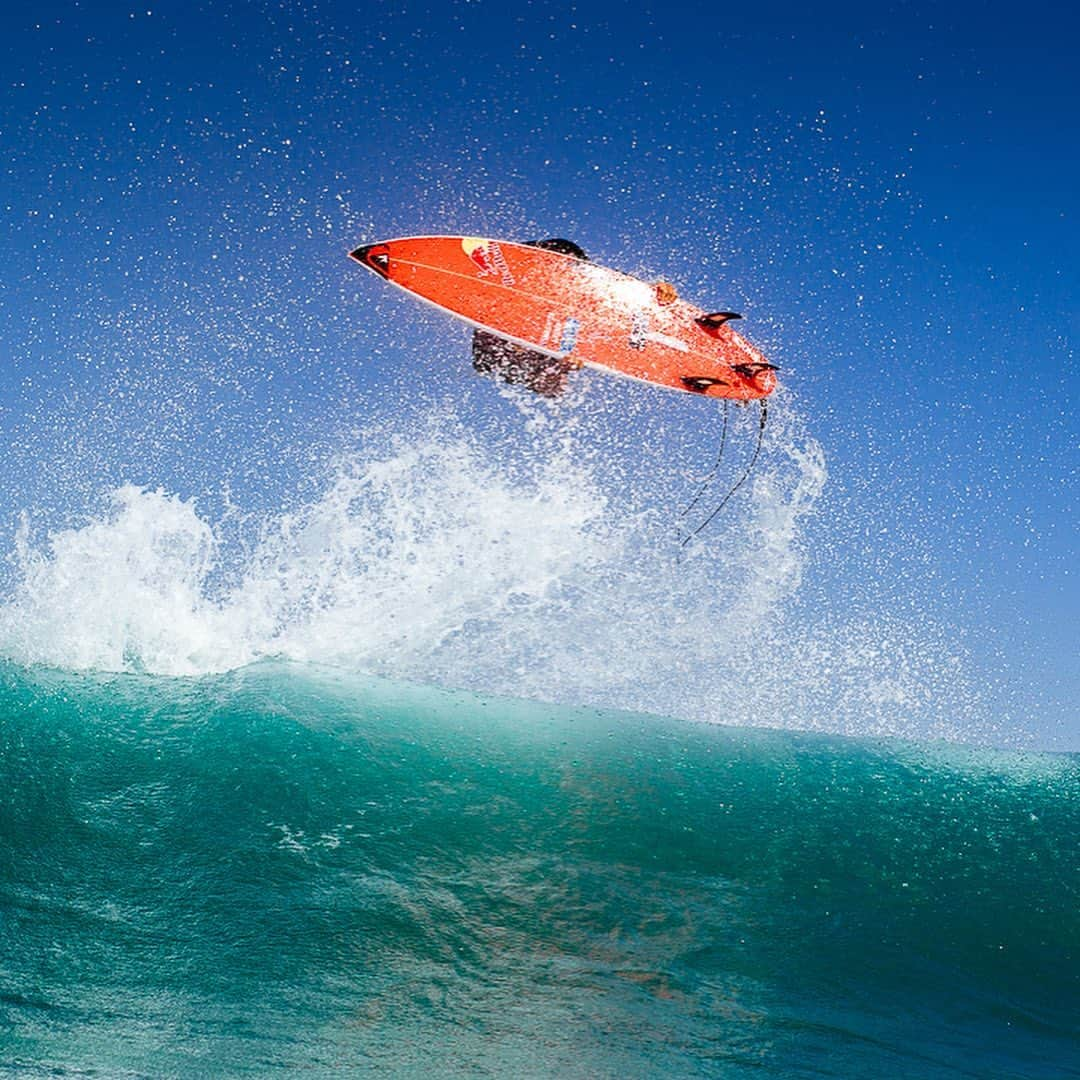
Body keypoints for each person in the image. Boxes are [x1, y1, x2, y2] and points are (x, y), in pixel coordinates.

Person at [471, 238, 589, 398]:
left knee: (556, 380)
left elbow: (554, 388)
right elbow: (484, 364)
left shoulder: (573, 305)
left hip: (536, 357)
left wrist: (574, 358)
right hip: (502, 351)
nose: (565, 274)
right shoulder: (510, 292)